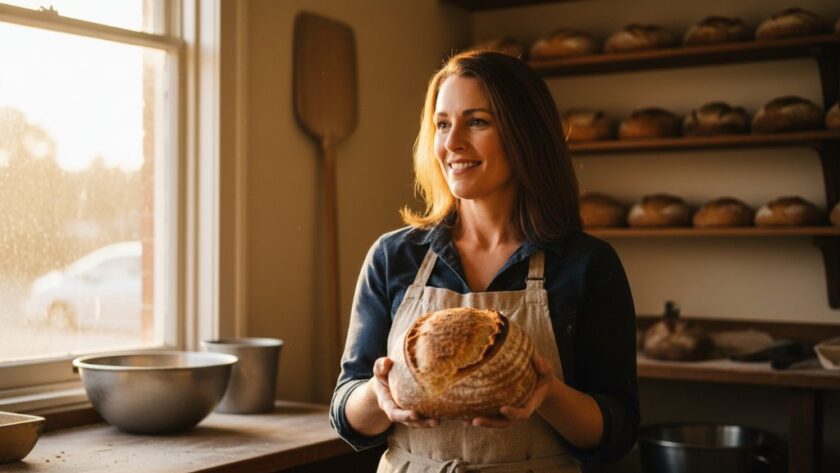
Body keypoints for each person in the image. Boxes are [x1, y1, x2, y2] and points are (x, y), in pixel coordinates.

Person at [330, 49, 638, 472]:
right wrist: (380, 395)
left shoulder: (586, 264)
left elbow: (616, 433)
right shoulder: (394, 257)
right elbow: (345, 413)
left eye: (477, 121)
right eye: (441, 124)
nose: (452, 142)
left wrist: (545, 393)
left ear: (525, 134)